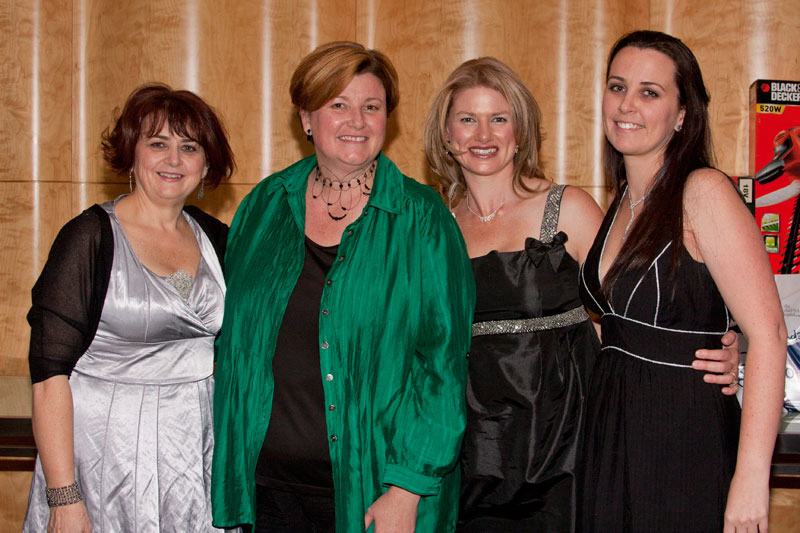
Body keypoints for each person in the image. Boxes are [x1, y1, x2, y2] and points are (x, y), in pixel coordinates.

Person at [423, 57, 744, 532]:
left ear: (520, 130)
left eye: (499, 118)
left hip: (569, 445)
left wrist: (726, 344)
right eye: (468, 119)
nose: (483, 134)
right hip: (475, 451)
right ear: (447, 135)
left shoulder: (568, 208)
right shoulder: (435, 226)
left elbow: (639, 305)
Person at [210, 41, 474, 533]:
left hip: (376, 493)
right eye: (338, 104)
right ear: (306, 119)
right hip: (266, 492)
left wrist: (407, 488)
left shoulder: (422, 219)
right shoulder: (264, 205)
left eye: (371, 106)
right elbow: (233, 343)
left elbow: (443, 367)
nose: (357, 120)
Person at [579, 30, 786, 531]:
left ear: (682, 115)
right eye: (617, 86)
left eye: (649, 92)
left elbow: (770, 334)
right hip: (611, 432)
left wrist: (750, 478)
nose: (627, 104)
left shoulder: (703, 191)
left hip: (682, 435)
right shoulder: (621, 200)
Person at [23, 84, 235, 533]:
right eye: (157, 144)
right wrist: (64, 497)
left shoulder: (214, 237)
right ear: (131, 153)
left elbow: (187, 304)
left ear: (205, 164)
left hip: (195, 452)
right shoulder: (90, 237)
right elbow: (48, 378)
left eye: (189, 147)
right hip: (106, 459)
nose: (173, 160)